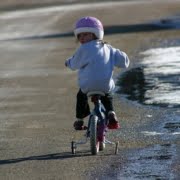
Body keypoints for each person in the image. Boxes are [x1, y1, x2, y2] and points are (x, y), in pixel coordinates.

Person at [65, 16, 130, 130]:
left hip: (87, 86)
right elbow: (123, 61)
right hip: (105, 85)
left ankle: (80, 120)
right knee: (107, 95)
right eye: (80, 35)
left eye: (86, 34)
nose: (82, 38)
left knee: (81, 96)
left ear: (95, 34)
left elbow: (74, 63)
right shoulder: (108, 48)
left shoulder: (83, 49)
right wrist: (124, 58)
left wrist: (68, 62)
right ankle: (111, 113)